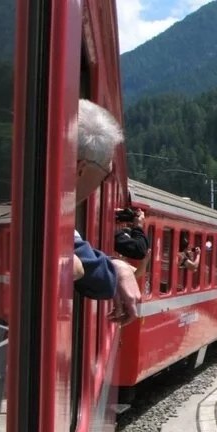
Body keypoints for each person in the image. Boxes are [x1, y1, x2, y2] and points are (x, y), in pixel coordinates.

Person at [71, 99, 140, 324]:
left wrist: (111, 267)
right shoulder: (50, 215)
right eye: (106, 172)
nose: (108, 179)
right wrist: (111, 270)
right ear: (80, 169)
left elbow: (79, 254)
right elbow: (75, 261)